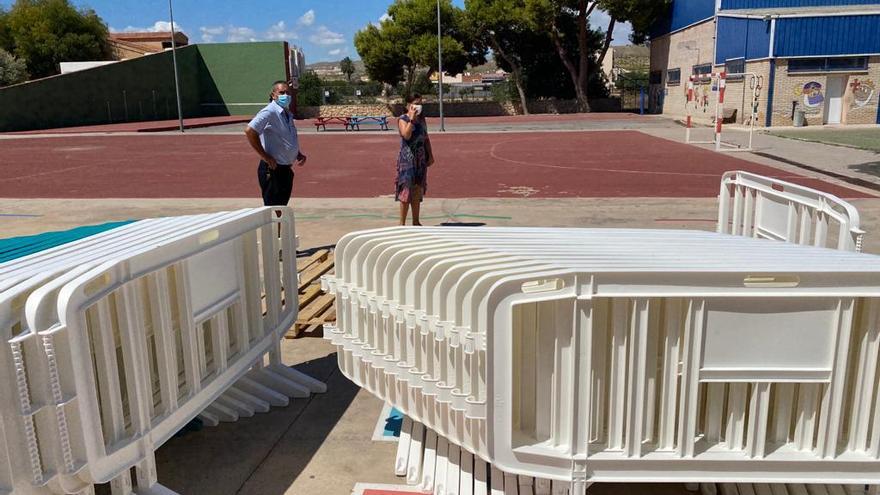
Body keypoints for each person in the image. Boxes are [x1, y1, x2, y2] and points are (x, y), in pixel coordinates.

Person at [245, 80, 307, 206]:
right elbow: (250, 131)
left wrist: (297, 154)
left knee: (281, 208)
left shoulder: (286, 113)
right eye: (282, 92)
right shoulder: (270, 111)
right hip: (273, 170)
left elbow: (285, 137)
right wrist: (266, 157)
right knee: (273, 209)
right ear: (273, 95)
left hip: (286, 169)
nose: (286, 96)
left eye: (288, 93)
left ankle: (280, 227)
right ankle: (274, 226)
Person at [395, 93, 434, 226]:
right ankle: (402, 223)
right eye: (416, 103)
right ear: (408, 105)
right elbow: (406, 135)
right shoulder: (403, 119)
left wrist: (430, 154)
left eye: (420, 103)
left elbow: (426, 137)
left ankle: (416, 221)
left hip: (420, 158)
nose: (419, 106)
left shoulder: (422, 119)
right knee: (406, 190)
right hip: (407, 160)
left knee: (417, 189)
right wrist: (411, 119)